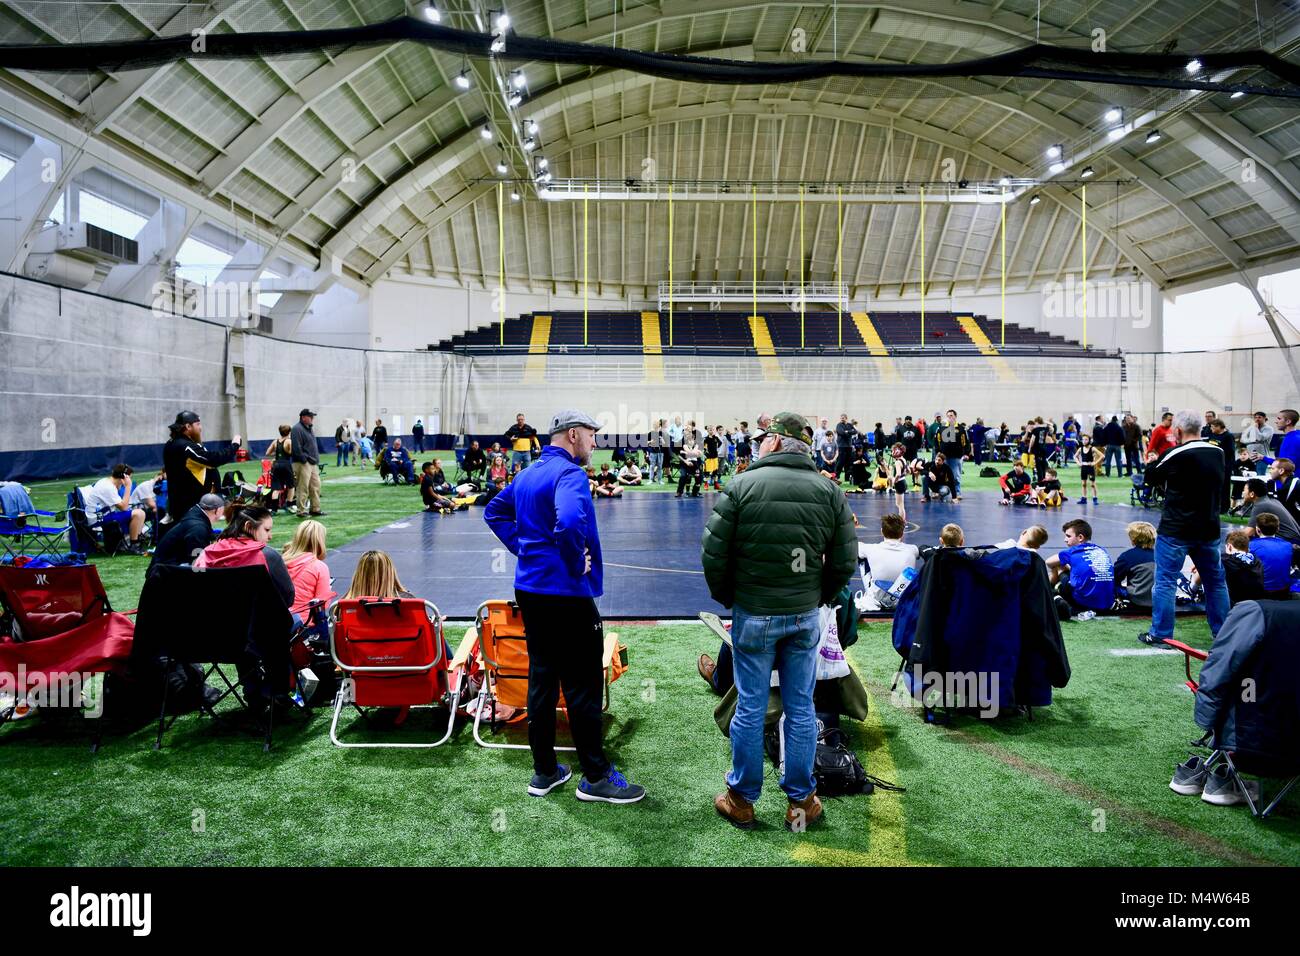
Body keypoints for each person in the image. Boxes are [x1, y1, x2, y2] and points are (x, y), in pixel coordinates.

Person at [701, 411, 857, 831]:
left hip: (754, 614)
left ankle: (741, 799)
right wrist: (817, 596)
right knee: (801, 708)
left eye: (762, 440)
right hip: (804, 615)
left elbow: (714, 554)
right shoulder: (829, 491)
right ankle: (802, 802)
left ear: (773, 443)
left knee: (750, 707)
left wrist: (733, 598)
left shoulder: (741, 486)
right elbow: (844, 562)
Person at [483, 409, 645, 804]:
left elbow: (495, 511)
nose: (595, 443)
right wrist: (573, 563)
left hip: (531, 590)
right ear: (573, 435)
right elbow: (571, 523)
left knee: (542, 677)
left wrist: (525, 549)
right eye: (592, 436)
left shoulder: (527, 474)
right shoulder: (570, 474)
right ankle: (595, 776)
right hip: (567, 593)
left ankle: (544, 771)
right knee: (582, 684)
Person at [1138, 409, 1231, 649]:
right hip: (1208, 527)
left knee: (1166, 581)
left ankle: (1161, 634)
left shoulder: (1176, 453)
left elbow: (1151, 477)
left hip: (1176, 529)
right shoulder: (1218, 452)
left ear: (1178, 431)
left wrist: (1150, 461)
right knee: (1215, 582)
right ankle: (1223, 633)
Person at [163, 410, 242, 523]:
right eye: (198, 424)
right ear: (188, 426)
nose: (200, 428)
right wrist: (235, 445)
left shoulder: (172, 443)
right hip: (188, 506)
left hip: (181, 503)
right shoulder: (185, 447)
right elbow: (213, 460)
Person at [1045, 519, 1115, 619]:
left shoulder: (1072, 552)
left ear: (1080, 537)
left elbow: (1048, 562)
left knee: (1059, 565)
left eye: (1068, 536)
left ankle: (1050, 590)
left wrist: (1065, 568)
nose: (1065, 539)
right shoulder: (1101, 549)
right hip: (1107, 602)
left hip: (1083, 602)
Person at [857, 512, 920, 612]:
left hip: (878, 599)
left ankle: (871, 595)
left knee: (861, 556)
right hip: (902, 599)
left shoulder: (871, 549)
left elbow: (851, 545)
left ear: (882, 532)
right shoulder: (912, 549)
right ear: (902, 533)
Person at [149, 493, 224, 573]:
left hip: (161, 569)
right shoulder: (198, 528)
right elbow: (198, 566)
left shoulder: (195, 516)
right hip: (163, 575)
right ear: (217, 510)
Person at [281, 519, 336, 626]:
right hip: (306, 625)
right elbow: (322, 605)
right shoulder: (319, 567)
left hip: (280, 621)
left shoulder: (281, 561)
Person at [84, 464, 149, 555]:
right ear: (123, 477)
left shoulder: (106, 482)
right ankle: (134, 544)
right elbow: (124, 507)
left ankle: (135, 540)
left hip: (100, 514)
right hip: (98, 518)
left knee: (139, 513)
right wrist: (128, 487)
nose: (129, 481)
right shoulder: (108, 487)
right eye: (129, 478)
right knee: (138, 513)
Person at [1249, 513, 1299, 599]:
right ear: (1278, 529)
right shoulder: (1288, 545)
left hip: (1260, 591)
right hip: (1283, 590)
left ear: (1257, 530)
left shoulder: (1251, 545)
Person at [1241, 478, 1300, 543]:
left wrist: (1231, 538)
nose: (1243, 493)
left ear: (1252, 494)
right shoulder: (1271, 500)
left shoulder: (1260, 505)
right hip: (1294, 539)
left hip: (1289, 541)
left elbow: (1249, 532)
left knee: (1246, 542)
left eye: (1244, 490)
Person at [291, 409, 325, 517]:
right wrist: (304, 459)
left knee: (316, 486)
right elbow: (296, 447)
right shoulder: (297, 429)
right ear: (303, 417)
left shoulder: (309, 428)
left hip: (312, 462)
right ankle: (301, 511)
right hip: (303, 463)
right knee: (303, 487)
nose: (312, 418)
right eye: (310, 416)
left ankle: (315, 509)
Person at [1114, 521, 1157, 608]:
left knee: (1109, 583)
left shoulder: (1127, 556)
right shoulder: (1161, 556)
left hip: (1136, 600)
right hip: (1159, 599)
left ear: (1133, 540)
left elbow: (1114, 578)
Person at [265, 425, 296, 513]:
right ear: (289, 432)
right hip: (286, 464)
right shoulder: (289, 441)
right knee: (291, 486)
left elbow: (267, 453)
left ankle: (274, 510)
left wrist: (278, 454)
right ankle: (289, 505)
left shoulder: (275, 441)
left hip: (276, 465)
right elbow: (292, 453)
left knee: (276, 489)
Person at [1241, 411, 1273, 475]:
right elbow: (1242, 439)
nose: (1257, 419)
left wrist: (1256, 428)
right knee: (1250, 476)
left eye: (1259, 417)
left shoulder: (1269, 429)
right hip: (1250, 456)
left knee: (1260, 476)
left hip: (1262, 457)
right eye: (1255, 417)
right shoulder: (1250, 428)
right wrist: (1252, 440)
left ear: (1264, 419)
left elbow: (1260, 438)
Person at [1075, 434, 1103, 504]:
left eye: (1086, 439)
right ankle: (1084, 498)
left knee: (1092, 484)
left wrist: (1094, 463)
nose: (1084, 441)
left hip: (1090, 468)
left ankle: (1095, 498)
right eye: (1083, 439)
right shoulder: (1080, 448)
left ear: (1089, 440)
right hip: (1083, 467)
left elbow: (1102, 456)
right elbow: (1075, 456)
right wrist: (1078, 463)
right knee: (1083, 484)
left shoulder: (1092, 448)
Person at [887, 443, 910, 520]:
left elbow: (898, 474)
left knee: (900, 505)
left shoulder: (897, 462)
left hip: (899, 483)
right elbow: (908, 471)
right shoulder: (903, 459)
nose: (892, 452)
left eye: (893, 451)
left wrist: (894, 480)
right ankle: (902, 520)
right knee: (900, 504)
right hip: (903, 482)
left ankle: (902, 521)